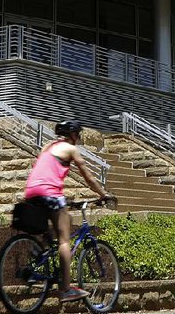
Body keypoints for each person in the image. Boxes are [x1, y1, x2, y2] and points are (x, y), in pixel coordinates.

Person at [24, 119, 114, 303]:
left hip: (32, 192)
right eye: (78, 135)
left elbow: (42, 169)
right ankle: (65, 289)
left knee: (48, 234)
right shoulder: (71, 149)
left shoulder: (47, 146)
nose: (79, 138)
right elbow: (88, 177)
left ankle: (35, 260)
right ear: (73, 135)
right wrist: (103, 194)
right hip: (50, 193)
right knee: (65, 239)